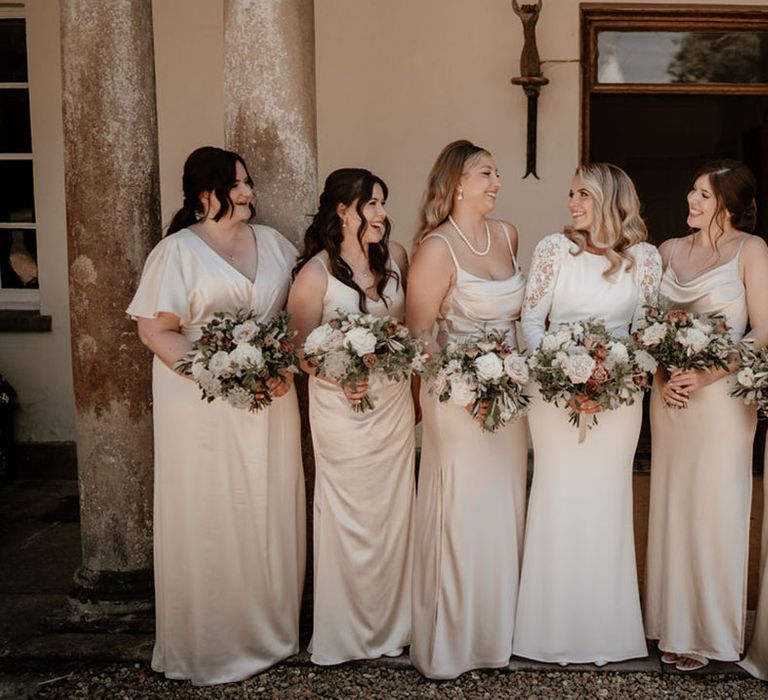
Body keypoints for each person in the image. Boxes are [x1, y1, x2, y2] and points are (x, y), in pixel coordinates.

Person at [127, 146, 305, 685]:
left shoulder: (274, 244)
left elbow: (295, 319)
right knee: (210, 507)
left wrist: (280, 366)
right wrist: (219, 372)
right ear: (206, 193)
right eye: (238, 184)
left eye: (248, 182)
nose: (249, 192)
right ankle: (211, 640)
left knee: (268, 501)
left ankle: (270, 631)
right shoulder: (176, 252)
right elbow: (155, 331)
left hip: (269, 397)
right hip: (200, 401)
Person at [513, 163, 660, 666]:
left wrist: (609, 380)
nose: (572, 202)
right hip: (552, 396)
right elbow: (531, 321)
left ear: (611, 200)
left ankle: (608, 631)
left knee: (606, 500)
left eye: (583, 194)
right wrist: (557, 376)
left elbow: (644, 333)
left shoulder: (644, 258)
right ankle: (545, 629)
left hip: (618, 400)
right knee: (556, 494)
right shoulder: (554, 250)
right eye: (570, 192)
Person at [406, 140, 528, 679]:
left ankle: (495, 635)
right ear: (457, 183)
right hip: (456, 399)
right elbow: (420, 334)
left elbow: (519, 320)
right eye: (486, 173)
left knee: (504, 507)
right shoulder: (437, 249)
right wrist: (463, 384)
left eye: (498, 173)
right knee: (462, 509)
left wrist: (509, 375)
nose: (497, 182)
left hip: (510, 398)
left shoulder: (508, 235)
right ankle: (452, 642)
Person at [287, 168, 415, 665]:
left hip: (394, 405)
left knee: (393, 514)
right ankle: (344, 631)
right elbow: (299, 351)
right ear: (343, 211)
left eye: (383, 203)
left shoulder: (397, 258)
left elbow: (405, 327)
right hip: (342, 410)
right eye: (373, 204)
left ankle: (393, 626)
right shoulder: (314, 274)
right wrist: (340, 374)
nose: (382, 213)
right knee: (350, 515)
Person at [645, 160, 768, 672]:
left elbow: (762, 331)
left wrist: (709, 375)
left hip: (721, 399)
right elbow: (647, 325)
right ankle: (669, 625)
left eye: (702, 195)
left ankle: (708, 632)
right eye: (692, 192)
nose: (691, 202)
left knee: (715, 507)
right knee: (672, 505)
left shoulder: (751, 250)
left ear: (729, 205)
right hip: (670, 396)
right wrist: (661, 375)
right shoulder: (667, 250)